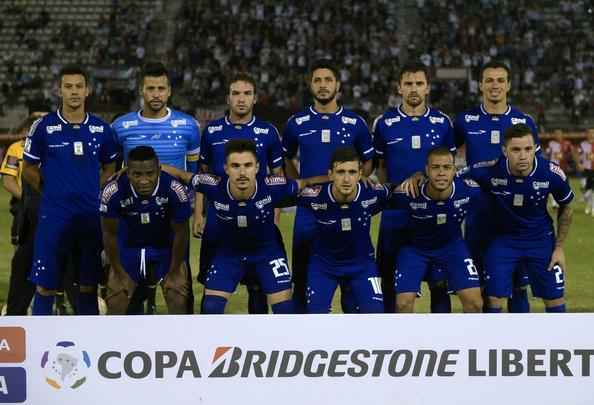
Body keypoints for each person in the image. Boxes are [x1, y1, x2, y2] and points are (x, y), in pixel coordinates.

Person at [166, 139, 315, 314]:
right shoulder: (212, 185)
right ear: (226, 168)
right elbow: (182, 175)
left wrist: (333, 178)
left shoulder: (273, 186)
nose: (242, 172)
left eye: (248, 165)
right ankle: (221, 343)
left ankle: (273, 342)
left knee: (284, 310)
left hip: (267, 253)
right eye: (235, 166)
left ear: (257, 167)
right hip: (229, 254)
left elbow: (305, 183)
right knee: (210, 308)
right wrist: (145, 168)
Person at [22, 65, 118, 315]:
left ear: (87, 90)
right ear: (59, 90)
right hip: (54, 216)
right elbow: (29, 168)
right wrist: (51, 190)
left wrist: (96, 192)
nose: (74, 92)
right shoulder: (43, 126)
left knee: (88, 285)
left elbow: (110, 166)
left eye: (79, 86)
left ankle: (89, 342)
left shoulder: (101, 129)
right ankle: (41, 343)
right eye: (68, 86)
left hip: (89, 216)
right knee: (45, 284)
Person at [283, 60, 374, 313]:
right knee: (301, 277)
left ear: (338, 85)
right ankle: (304, 338)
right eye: (318, 80)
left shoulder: (355, 123)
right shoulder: (296, 123)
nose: (323, 86)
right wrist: (299, 183)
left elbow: (368, 160)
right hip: (309, 213)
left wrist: (358, 182)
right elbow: (285, 157)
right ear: (310, 85)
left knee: (350, 283)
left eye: (328, 80)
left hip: (348, 210)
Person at [111, 62, 200, 314]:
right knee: (130, 291)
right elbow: (113, 174)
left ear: (169, 91)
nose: (156, 94)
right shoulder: (120, 127)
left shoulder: (188, 126)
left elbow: (194, 175)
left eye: (161, 88)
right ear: (142, 90)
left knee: (179, 288)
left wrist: (197, 213)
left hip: (172, 219)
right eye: (151, 88)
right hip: (132, 219)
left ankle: (182, 344)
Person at [453, 61, 540, 313]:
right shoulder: (465, 121)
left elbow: (537, 168)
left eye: (500, 80)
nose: (495, 85)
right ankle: (484, 345)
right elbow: (444, 160)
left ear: (509, 85)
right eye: (489, 80)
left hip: (514, 218)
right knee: (480, 286)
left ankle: (519, 344)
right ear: (480, 85)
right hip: (477, 215)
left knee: (518, 286)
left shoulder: (523, 121)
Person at [459, 124, 573, 313]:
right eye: (516, 149)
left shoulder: (551, 173)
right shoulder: (489, 171)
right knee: (494, 297)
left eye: (528, 149)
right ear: (505, 151)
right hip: (503, 240)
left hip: (540, 240)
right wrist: (420, 176)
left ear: (535, 149)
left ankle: (558, 342)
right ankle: (492, 342)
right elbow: (448, 177)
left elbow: (567, 206)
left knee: (554, 298)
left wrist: (559, 248)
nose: (523, 155)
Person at [197, 73, 284, 314]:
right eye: (236, 93)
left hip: (259, 219)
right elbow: (201, 176)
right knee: (211, 283)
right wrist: (198, 215)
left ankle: (256, 343)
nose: (241, 99)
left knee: (258, 285)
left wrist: (274, 218)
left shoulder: (268, 132)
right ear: (228, 98)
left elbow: (278, 178)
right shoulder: (212, 131)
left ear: (255, 98)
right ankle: (210, 340)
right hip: (218, 222)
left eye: (247, 93)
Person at [373, 61, 455, 313]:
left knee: (438, 282)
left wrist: (422, 176)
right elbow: (381, 167)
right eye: (408, 84)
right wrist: (393, 192)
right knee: (388, 280)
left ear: (428, 88)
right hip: (395, 216)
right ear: (399, 88)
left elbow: (448, 169)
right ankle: (390, 340)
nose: (414, 89)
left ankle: (440, 344)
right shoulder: (384, 123)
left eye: (419, 83)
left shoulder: (443, 123)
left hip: (433, 216)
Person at [100, 146, 192, 314]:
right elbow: (109, 234)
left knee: (177, 291)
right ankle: (114, 339)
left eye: (150, 174)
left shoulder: (175, 190)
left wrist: (174, 271)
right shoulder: (112, 191)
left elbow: (181, 233)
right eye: (137, 174)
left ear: (158, 170)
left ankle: (180, 338)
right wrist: (119, 272)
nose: (144, 180)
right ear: (127, 172)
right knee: (117, 294)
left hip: (164, 246)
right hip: (128, 246)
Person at [391, 147, 483, 313]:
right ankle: (405, 339)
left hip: (452, 247)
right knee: (403, 304)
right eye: (435, 168)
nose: (441, 173)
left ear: (455, 170)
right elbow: (373, 198)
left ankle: (470, 339)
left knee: (475, 303)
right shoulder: (407, 193)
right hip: (414, 249)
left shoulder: (470, 191)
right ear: (426, 170)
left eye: (446, 168)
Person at [298, 148, 386, 313]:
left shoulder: (373, 193)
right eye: (340, 172)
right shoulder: (313, 196)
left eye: (352, 172)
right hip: (324, 265)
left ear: (360, 174)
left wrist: (417, 177)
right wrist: (307, 181)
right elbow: (274, 195)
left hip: (362, 265)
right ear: (330, 175)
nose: (346, 179)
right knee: (315, 317)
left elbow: (402, 193)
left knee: (375, 316)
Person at [1, 116, 37, 314]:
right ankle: (22, 302)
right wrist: (29, 199)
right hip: (25, 212)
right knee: (23, 256)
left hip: (53, 209)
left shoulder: (54, 145)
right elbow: (8, 181)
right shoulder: (16, 148)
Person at [577, 129, 594, 216]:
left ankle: (591, 207)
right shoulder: (582, 144)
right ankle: (585, 197)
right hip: (586, 169)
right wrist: (579, 164)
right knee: (586, 188)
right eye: (589, 133)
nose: (591, 135)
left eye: (593, 133)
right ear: (586, 134)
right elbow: (579, 155)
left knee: (592, 190)